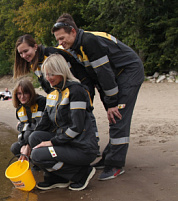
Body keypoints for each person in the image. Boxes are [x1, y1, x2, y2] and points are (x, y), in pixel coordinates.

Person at [51, 13, 145, 181]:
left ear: (73, 31)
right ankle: (109, 156)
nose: (60, 43)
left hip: (129, 72)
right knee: (113, 114)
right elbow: (97, 78)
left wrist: (113, 104)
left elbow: (105, 74)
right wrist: (107, 102)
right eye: (58, 40)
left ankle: (115, 165)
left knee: (117, 116)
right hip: (116, 76)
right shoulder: (76, 46)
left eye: (62, 38)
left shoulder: (89, 42)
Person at [24, 54, 99, 191]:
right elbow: (43, 124)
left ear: (61, 71)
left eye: (51, 74)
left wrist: (52, 142)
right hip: (67, 143)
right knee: (34, 138)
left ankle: (81, 174)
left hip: (82, 148)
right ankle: (57, 177)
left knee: (37, 156)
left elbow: (77, 127)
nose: (48, 78)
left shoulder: (76, 91)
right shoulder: (53, 94)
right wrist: (27, 145)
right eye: (46, 75)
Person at [10, 79, 46, 159]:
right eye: (19, 93)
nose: (22, 97)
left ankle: (39, 163)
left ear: (31, 93)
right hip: (29, 138)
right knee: (15, 147)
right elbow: (21, 131)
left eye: (25, 93)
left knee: (30, 134)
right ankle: (29, 164)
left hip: (42, 136)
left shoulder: (41, 102)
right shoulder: (19, 110)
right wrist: (23, 145)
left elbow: (39, 125)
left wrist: (28, 146)